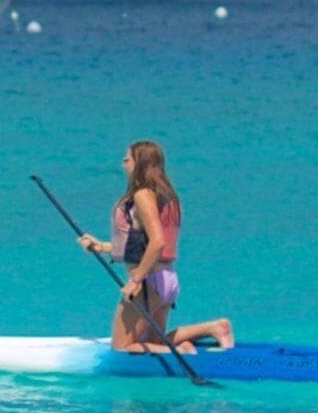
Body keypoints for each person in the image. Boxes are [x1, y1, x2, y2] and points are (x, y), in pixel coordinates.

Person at [86, 139, 233, 353]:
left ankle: (182, 351)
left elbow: (157, 242)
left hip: (147, 282)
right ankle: (215, 328)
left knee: (121, 347)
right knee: (155, 341)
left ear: (140, 163)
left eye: (127, 159)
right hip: (166, 279)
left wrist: (136, 280)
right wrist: (102, 247)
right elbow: (140, 243)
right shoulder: (166, 195)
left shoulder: (142, 195)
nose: (123, 163)